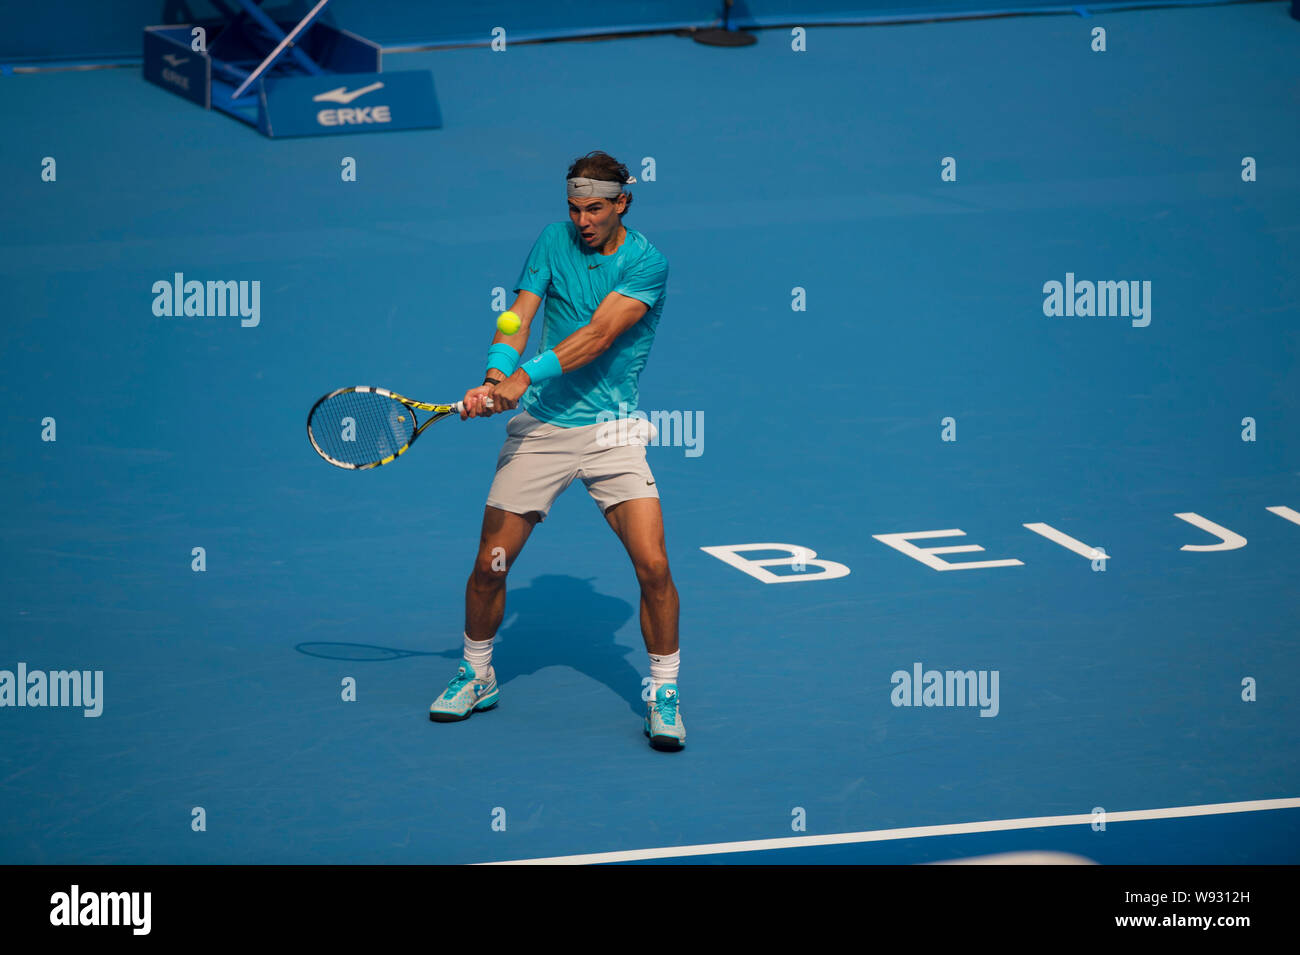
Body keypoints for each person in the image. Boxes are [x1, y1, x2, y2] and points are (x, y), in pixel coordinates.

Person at [428, 151, 684, 751]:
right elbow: (518, 315)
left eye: (594, 208)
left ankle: (664, 693)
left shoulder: (648, 263)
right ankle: (477, 671)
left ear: (623, 202)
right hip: (542, 430)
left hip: (612, 432)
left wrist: (523, 379)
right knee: (490, 566)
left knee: (654, 566)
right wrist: (496, 374)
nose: (582, 219)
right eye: (573, 208)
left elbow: (596, 336)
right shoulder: (552, 240)